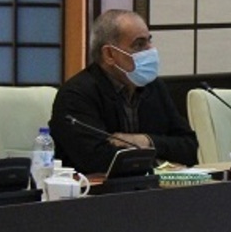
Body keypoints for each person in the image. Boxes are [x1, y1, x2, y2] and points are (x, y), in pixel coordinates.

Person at [50, 9, 198, 171]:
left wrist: (146, 141)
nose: (150, 50)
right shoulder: (76, 95)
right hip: (92, 186)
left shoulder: (154, 87)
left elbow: (190, 147)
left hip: (149, 184)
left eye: (149, 41)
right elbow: (96, 159)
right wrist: (158, 156)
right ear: (109, 54)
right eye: (139, 45)